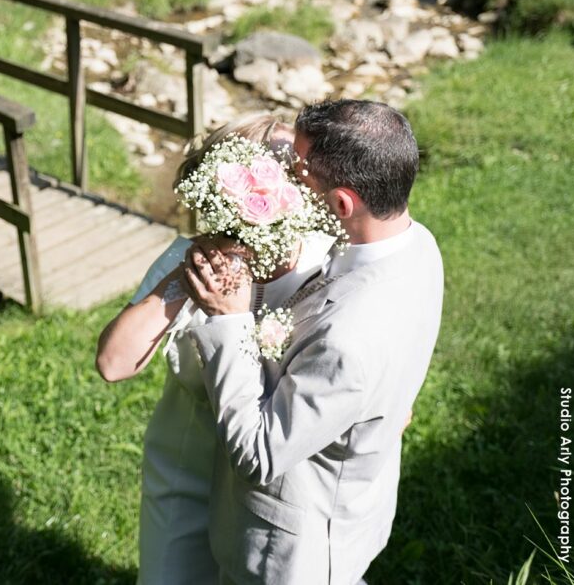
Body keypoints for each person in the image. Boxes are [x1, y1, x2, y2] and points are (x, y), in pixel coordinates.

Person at [180, 99, 444, 584]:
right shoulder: (418, 244)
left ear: (343, 203)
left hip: (292, 556)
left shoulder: (349, 338)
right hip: (355, 509)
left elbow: (259, 454)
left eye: (299, 176)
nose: (284, 184)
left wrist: (229, 320)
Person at [96, 114, 333, 585]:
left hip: (277, 477)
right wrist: (194, 271)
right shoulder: (189, 261)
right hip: (191, 465)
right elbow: (114, 363)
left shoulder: (326, 259)